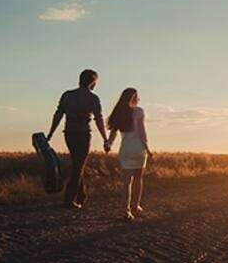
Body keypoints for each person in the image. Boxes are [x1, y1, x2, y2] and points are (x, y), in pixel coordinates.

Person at [46, 69, 110, 209]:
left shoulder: (67, 95)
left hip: (69, 133)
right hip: (83, 133)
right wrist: (105, 138)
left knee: (77, 163)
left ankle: (82, 195)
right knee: (78, 166)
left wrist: (50, 133)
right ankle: (68, 200)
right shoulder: (93, 98)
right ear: (93, 82)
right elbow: (98, 119)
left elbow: (58, 114)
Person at [106, 87, 153, 220]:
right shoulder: (139, 112)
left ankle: (126, 210)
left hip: (125, 150)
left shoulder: (118, 113)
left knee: (127, 182)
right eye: (137, 97)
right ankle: (135, 205)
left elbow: (113, 133)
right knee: (138, 179)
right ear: (134, 98)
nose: (138, 100)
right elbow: (142, 132)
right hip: (138, 149)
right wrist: (148, 149)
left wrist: (109, 145)